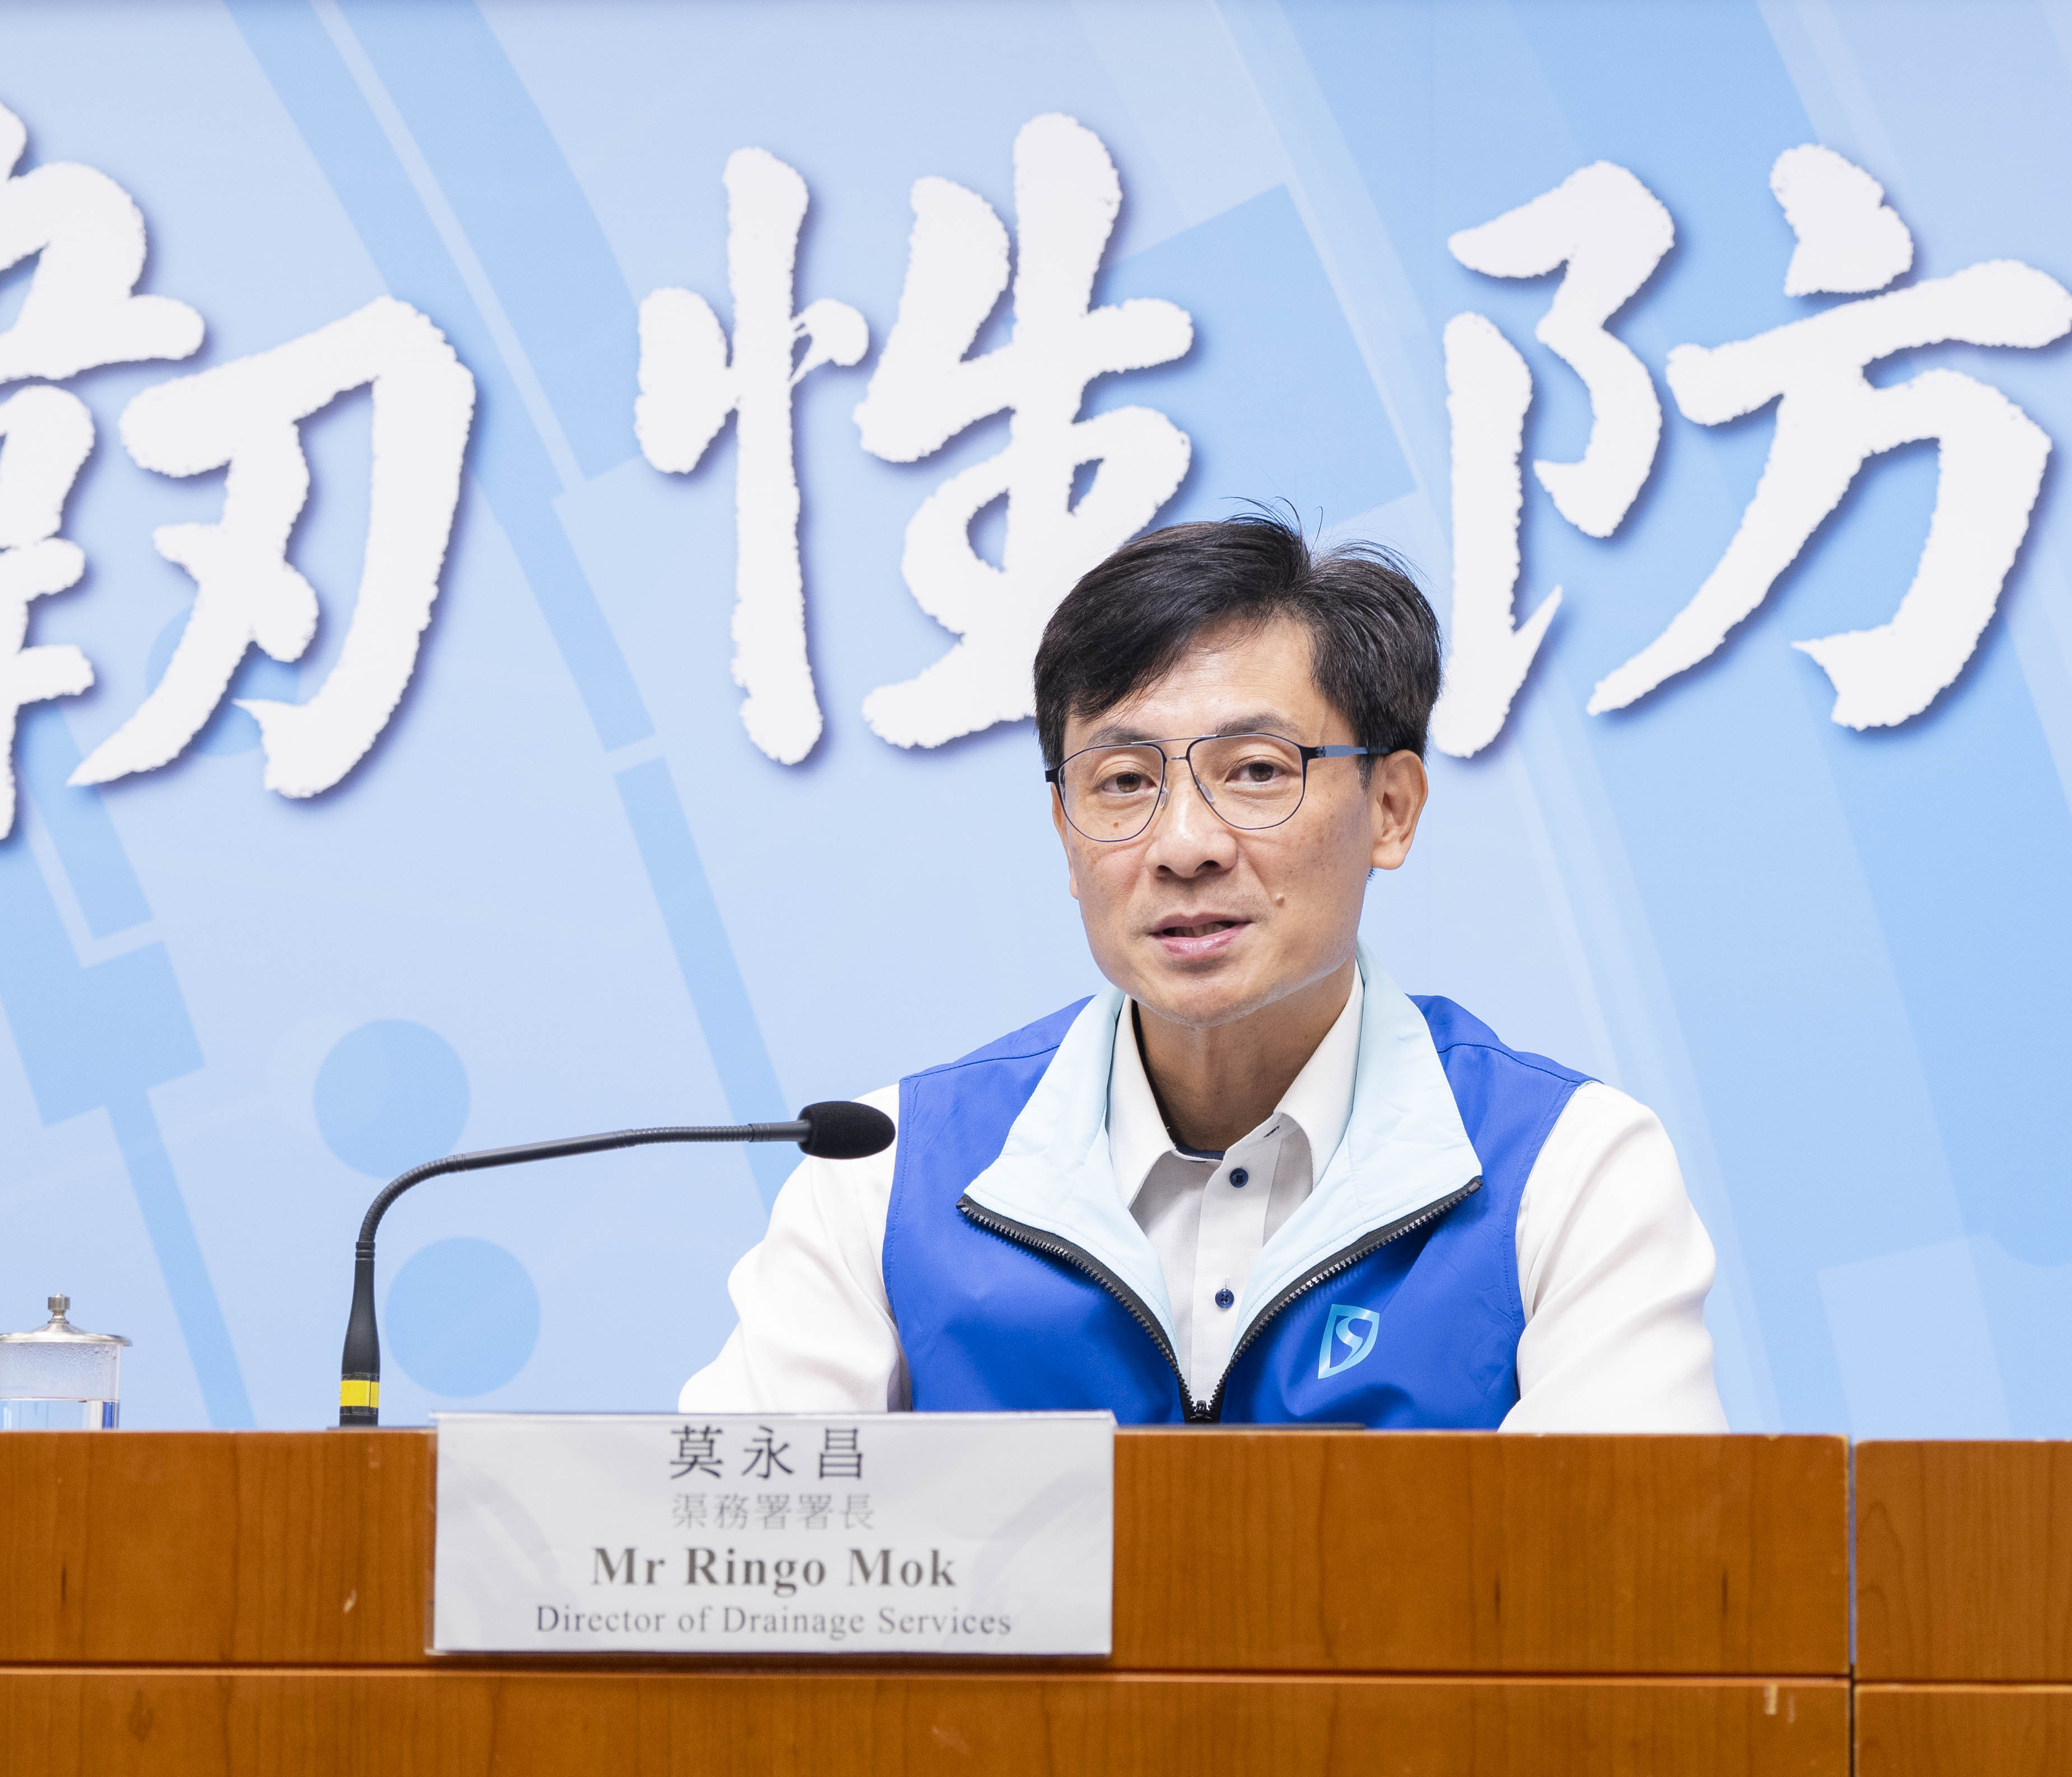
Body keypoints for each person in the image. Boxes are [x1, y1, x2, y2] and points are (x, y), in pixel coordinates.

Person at [685, 518, 1724, 1428]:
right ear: (1064, 827)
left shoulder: (1564, 1169)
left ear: (1393, 809)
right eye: (1124, 781)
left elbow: (1629, 1592)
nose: (1185, 844)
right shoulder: (886, 1178)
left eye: (1258, 771)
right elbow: (720, 1573)